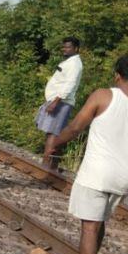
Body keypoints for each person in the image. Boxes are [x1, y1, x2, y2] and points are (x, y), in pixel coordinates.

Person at [44, 55, 128, 254]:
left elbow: (76, 126)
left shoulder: (103, 95)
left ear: (117, 75)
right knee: (98, 222)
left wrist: (54, 144)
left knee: (89, 227)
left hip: (98, 173)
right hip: (126, 177)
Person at [36, 37, 83, 170]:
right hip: (58, 101)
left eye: (68, 47)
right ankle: (51, 166)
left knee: (53, 133)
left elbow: (70, 84)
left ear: (76, 49)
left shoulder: (74, 64)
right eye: (64, 47)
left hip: (61, 102)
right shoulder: (70, 62)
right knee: (52, 133)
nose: (65, 49)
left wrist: (56, 101)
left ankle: (46, 166)